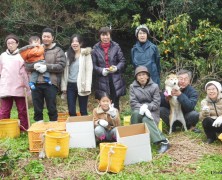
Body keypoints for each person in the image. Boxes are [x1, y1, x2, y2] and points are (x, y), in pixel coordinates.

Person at [25, 27, 66, 121]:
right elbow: (27, 65)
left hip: (51, 83)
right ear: (41, 37)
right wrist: (34, 66)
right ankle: (39, 129)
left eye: (48, 36)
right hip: (36, 83)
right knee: (37, 108)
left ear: (52, 38)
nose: (46, 38)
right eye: (44, 36)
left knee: (51, 107)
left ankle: (53, 127)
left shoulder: (58, 50)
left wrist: (47, 67)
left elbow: (61, 66)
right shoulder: (34, 48)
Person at [130, 66, 169, 154]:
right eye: (139, 75)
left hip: (152, 111)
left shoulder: (154, 86)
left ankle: (163, 141)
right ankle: (135, 139)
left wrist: (147, 107)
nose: (142, 77)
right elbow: (133, 102)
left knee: (146, 119)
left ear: (148, 76)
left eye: (144, 74)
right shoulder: (132, 87)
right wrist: (142, 108)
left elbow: (156, 103)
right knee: (135, 113)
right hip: (138, 109)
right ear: (136, 77)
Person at [0, 34, 30, 131]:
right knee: (4, 110)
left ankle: (23, 128)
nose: (10, 45)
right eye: (8, 43)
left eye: (12, 43)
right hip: (6, 86)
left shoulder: (22, 55)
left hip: (20, 86)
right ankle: (4, 129)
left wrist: (27, 85)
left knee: (22, 110)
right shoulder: (2, 56)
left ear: (17, 44)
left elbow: (27, 71)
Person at [92, 27, 126, 110]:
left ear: (110, 35)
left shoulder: (116, 46)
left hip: (115, 79)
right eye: (103, 35)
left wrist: (116, 68)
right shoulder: (95, 49)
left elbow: (122, 61)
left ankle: (116, 121)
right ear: (100, 36)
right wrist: (101, 70)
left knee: (115, 104)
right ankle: (104, 121)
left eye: (107, 35)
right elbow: (93, 65)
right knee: (104, 103)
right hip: (101, 79)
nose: (105, 37)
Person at [61, 34, 93, 116]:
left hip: (82, 85)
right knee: (71, 111)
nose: (74, 43)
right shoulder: (66, 54)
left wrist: (87, 87)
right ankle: (74, 128)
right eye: (72, 42)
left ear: (81, 43)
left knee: (83, 110)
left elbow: (89, 71)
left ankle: (85, 128)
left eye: (77, 41)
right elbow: (64, 72)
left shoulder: (86, 54)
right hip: (70, 86)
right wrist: (64, 87)